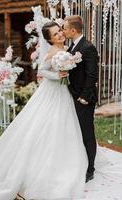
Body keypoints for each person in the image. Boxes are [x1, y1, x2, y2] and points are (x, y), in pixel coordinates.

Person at [0, 22, 88, 200]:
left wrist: (69, 66)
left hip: (63, 92)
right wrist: (58, 75)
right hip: (51, 91)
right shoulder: (52, 52)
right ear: (49, 39)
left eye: (59, 31)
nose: (59, 35)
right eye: (55, 34)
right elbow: (42, 71)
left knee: (64, 124)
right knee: (46, 123)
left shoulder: (67, 48)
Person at [63, 15, 99, 182]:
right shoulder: (71, 47)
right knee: (76, 132)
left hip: (84, 98)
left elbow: (92, 74)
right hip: (73, 94)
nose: (63, 30)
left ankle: (90, 169)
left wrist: (85, 96)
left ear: (73, 30)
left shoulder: (88, 47)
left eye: (64, 27)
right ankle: (79, 163)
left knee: (87, 133)